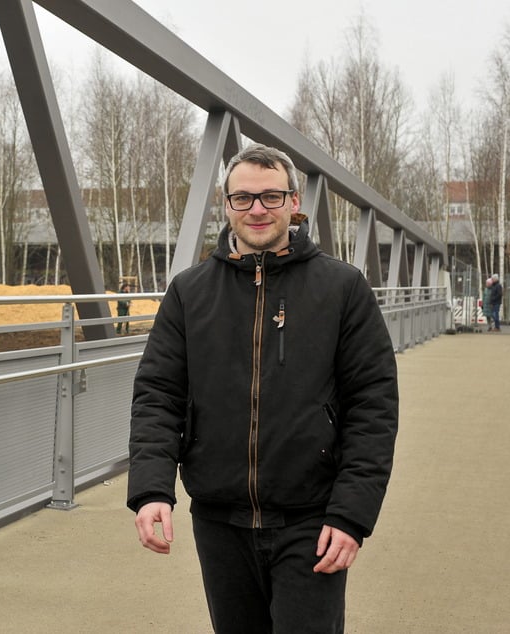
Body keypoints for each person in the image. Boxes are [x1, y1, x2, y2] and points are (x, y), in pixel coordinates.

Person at [127, 143, 399, 633]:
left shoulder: (343, 289)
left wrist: (352, 514)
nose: (256, 209)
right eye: (243, 198)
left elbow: (372, 407)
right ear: (226, 204)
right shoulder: (189, 292)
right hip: (219, 520)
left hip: (313, 520)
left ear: (295, 203)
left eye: (271, 197)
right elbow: (158, 396)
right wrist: (151, 490)